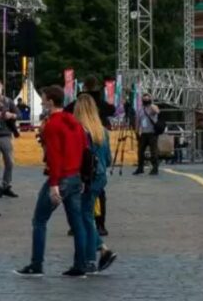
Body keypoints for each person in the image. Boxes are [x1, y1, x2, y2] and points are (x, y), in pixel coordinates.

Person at [16, 85, 89, 278]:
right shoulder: (75, 122)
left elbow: (55, 157)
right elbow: (83, 149)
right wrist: (81, 176)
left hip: (60, 178)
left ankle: (36, 264)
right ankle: (80, 264)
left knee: (39, 220)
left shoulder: (52, 125)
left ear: (50, 101)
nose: (41, 102)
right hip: (75, 176)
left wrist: (54, 185)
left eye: (43, 98)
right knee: (77, 223)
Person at [73, 94, 118, 275]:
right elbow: (108, 159)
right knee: (87, 215)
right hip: (99, 177)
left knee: (85, 217)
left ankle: (95, 255)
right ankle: (99, 251)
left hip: (85, 177)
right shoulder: (102, 131)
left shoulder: (80, 130)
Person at [0, 80, 20, 198]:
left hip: (6, 135)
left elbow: (18, 114)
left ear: (2, 87)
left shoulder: (8, 101)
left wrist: (11, 115)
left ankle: (6, 185)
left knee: (10, 162)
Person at [134, 94, 162, 175]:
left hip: (152, 133)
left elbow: (157, 111)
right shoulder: (140, 110)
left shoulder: (153, 108)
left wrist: (151, 104)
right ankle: (140, 167)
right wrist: (136, 131)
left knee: (153, 151)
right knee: (140, 151)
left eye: (147, 99)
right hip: (143, 133)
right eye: (144, 99)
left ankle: (155, 168)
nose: (146, 101)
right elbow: (137, 121)